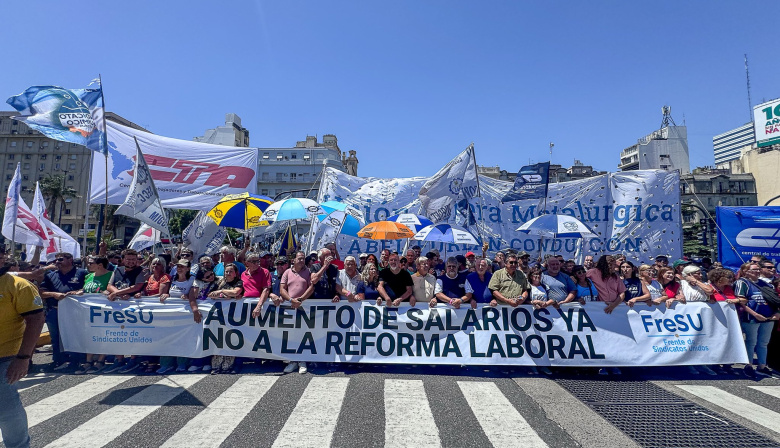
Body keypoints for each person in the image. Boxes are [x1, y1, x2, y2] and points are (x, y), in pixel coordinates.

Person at [0, 259, 45, 448]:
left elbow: (36, 320)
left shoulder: (19, 285)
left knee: (5, 408)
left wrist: (24, 358)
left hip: (5, 357)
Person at [39, 252, 87, 371]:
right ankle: (58, 360)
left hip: (74, 311)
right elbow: (42, 292)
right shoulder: (50, 275)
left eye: (60, 259)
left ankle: (76, 361)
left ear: (70, 260)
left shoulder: (82, 273)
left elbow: (89, 288)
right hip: (55, 310)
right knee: (55, 337)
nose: (57, 262)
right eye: (56, 260)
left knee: (74, 335)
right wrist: (53, 294)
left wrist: (79, 292)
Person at [733, 262, 780, 378]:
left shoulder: (767, 284)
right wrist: (755, 314)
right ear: (746, 271)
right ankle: (748, 365)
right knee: (751, 341)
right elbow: (741, 302)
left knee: (763, 342)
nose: (757, 271)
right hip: (751, 317)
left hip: (768, 317)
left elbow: (774, 300)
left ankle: (762, 365)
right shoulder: (742, 283)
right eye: (754, 269)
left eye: (759, 269)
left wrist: (777, 312)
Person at [586, 255, 625, 375]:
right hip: (598, 311)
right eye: (612, 264)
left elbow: (622, 293)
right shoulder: (592, 272)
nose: (614, 267)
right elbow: (580, 281)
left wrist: (614, 305)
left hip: (613, 311)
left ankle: (612, 364)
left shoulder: (616, 277)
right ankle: (601, 365)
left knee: (613, 339)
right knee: (599, 339)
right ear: (605, 264)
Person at [279, 251, 315, 374]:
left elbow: (311, 287)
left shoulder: (308, 272)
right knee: (291, 334)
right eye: (299, 258)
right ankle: (293, 361)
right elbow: (282, 289)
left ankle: (302, 360)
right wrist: (291, 300)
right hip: (290, 307)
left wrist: (300, 300)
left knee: (303, 334)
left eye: (303, 258)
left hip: (304, 307)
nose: (301, 260)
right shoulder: (287, 272)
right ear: (293, 260)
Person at [209, 264, 245, 374]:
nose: (228, 273)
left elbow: (236, 292)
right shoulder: (219, 282)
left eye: (230, 271)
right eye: (226, 271)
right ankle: (216, 365)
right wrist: (225, 295)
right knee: (219, 338)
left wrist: (221, 292)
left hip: (233, 316)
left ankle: (228, 365)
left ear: (235, 273)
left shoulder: (239, 282)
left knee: (231, 339)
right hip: (219, 316)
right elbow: (210, 294)